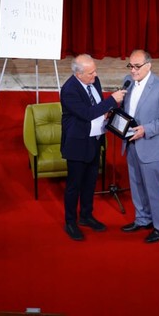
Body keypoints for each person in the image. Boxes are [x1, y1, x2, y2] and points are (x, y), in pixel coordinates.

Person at [60, 54, 126, 241]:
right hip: (78, 144)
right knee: (74, 186)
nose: (95, 75)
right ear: (78, 74)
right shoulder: (69, 90)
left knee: (90, 182)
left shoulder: (93, 81)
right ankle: (70, 222)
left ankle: (86, 215)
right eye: (90, 73)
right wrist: (112, 100)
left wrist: (107, 113)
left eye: (95, 71)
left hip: (95, 140)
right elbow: (87, 113)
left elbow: (97, 106)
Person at [120, 49, 159, 244]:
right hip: (131, 142)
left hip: (151, 145)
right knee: (136, 183)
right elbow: (127, 109)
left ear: (148, 66)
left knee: (154, 188)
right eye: (130, 66)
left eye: (137, 66)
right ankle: (142, 219)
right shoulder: (128, 82)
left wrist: (146, 129)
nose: (133, 70)